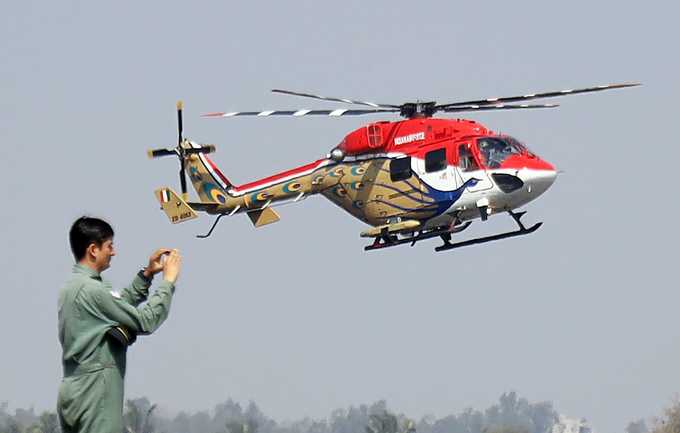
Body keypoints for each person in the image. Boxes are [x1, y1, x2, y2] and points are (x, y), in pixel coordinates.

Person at [57, 216, 182, 433]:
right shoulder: (93, 291)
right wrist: (168, 283)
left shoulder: (72, 287)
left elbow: (116, 306)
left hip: (73, 392)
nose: (113, 252)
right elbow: (146, 320)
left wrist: (146, 275)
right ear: (93, 250)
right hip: (95, 394)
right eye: (109, 246)